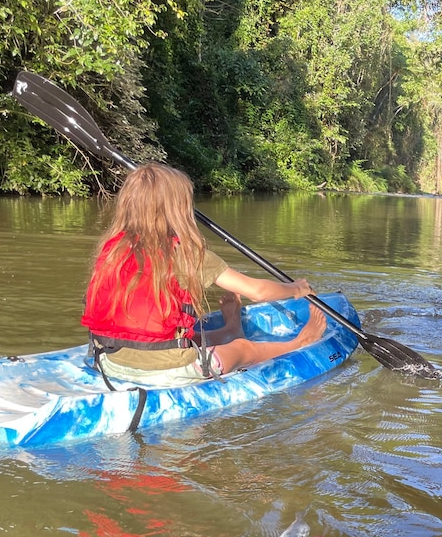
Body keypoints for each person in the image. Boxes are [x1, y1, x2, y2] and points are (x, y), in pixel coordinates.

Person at [81, 163, 327, 388]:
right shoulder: (186, 254)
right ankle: (299, 344)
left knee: (179, 335)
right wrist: (296, 288)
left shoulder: (113, 249)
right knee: (244, 348)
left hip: (107, 360)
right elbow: (257, 292)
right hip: (164, 371)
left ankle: (228, 331)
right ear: (179, 210)